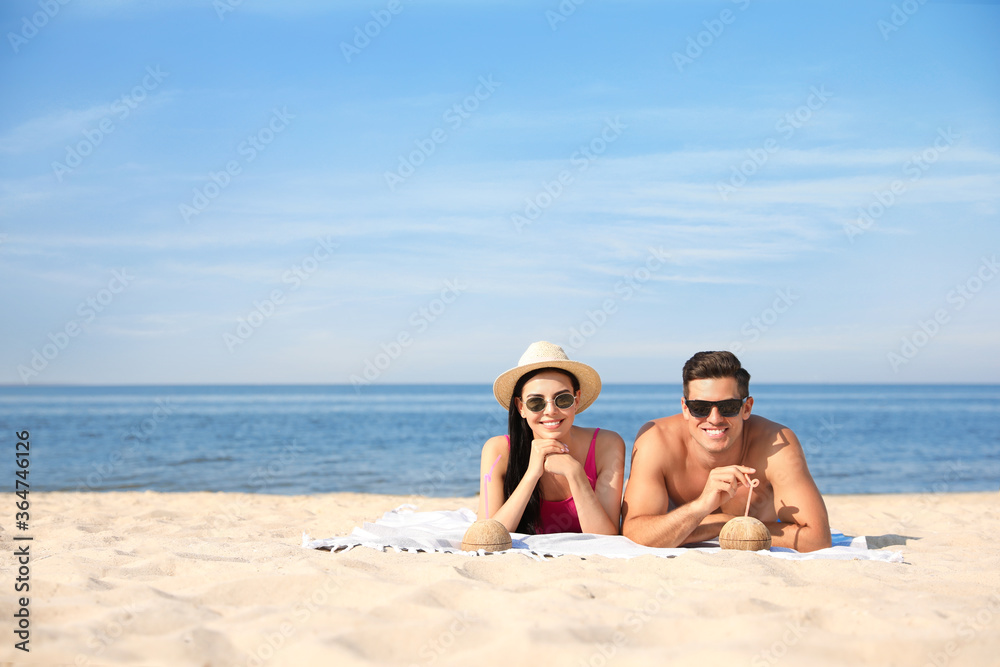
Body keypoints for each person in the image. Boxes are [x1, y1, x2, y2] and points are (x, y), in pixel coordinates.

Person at [622, 351, 831, 552]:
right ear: (686, 409)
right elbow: (635, 533)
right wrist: (703, 509)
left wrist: (726, 526)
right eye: (700, 408)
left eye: (728, 406)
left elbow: (817, 538)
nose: (714, 418)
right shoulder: (657, 439)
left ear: (746, 408)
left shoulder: (776, 443)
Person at [478, 341, 626, 535]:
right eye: (536, 402)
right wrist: (531, 474)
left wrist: (576, 474)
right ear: (521, 407)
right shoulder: (498, 451)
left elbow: (606, 539)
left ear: (577, 400)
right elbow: (487, 537)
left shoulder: (607, 445)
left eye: (562, 400)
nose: (550, 411)